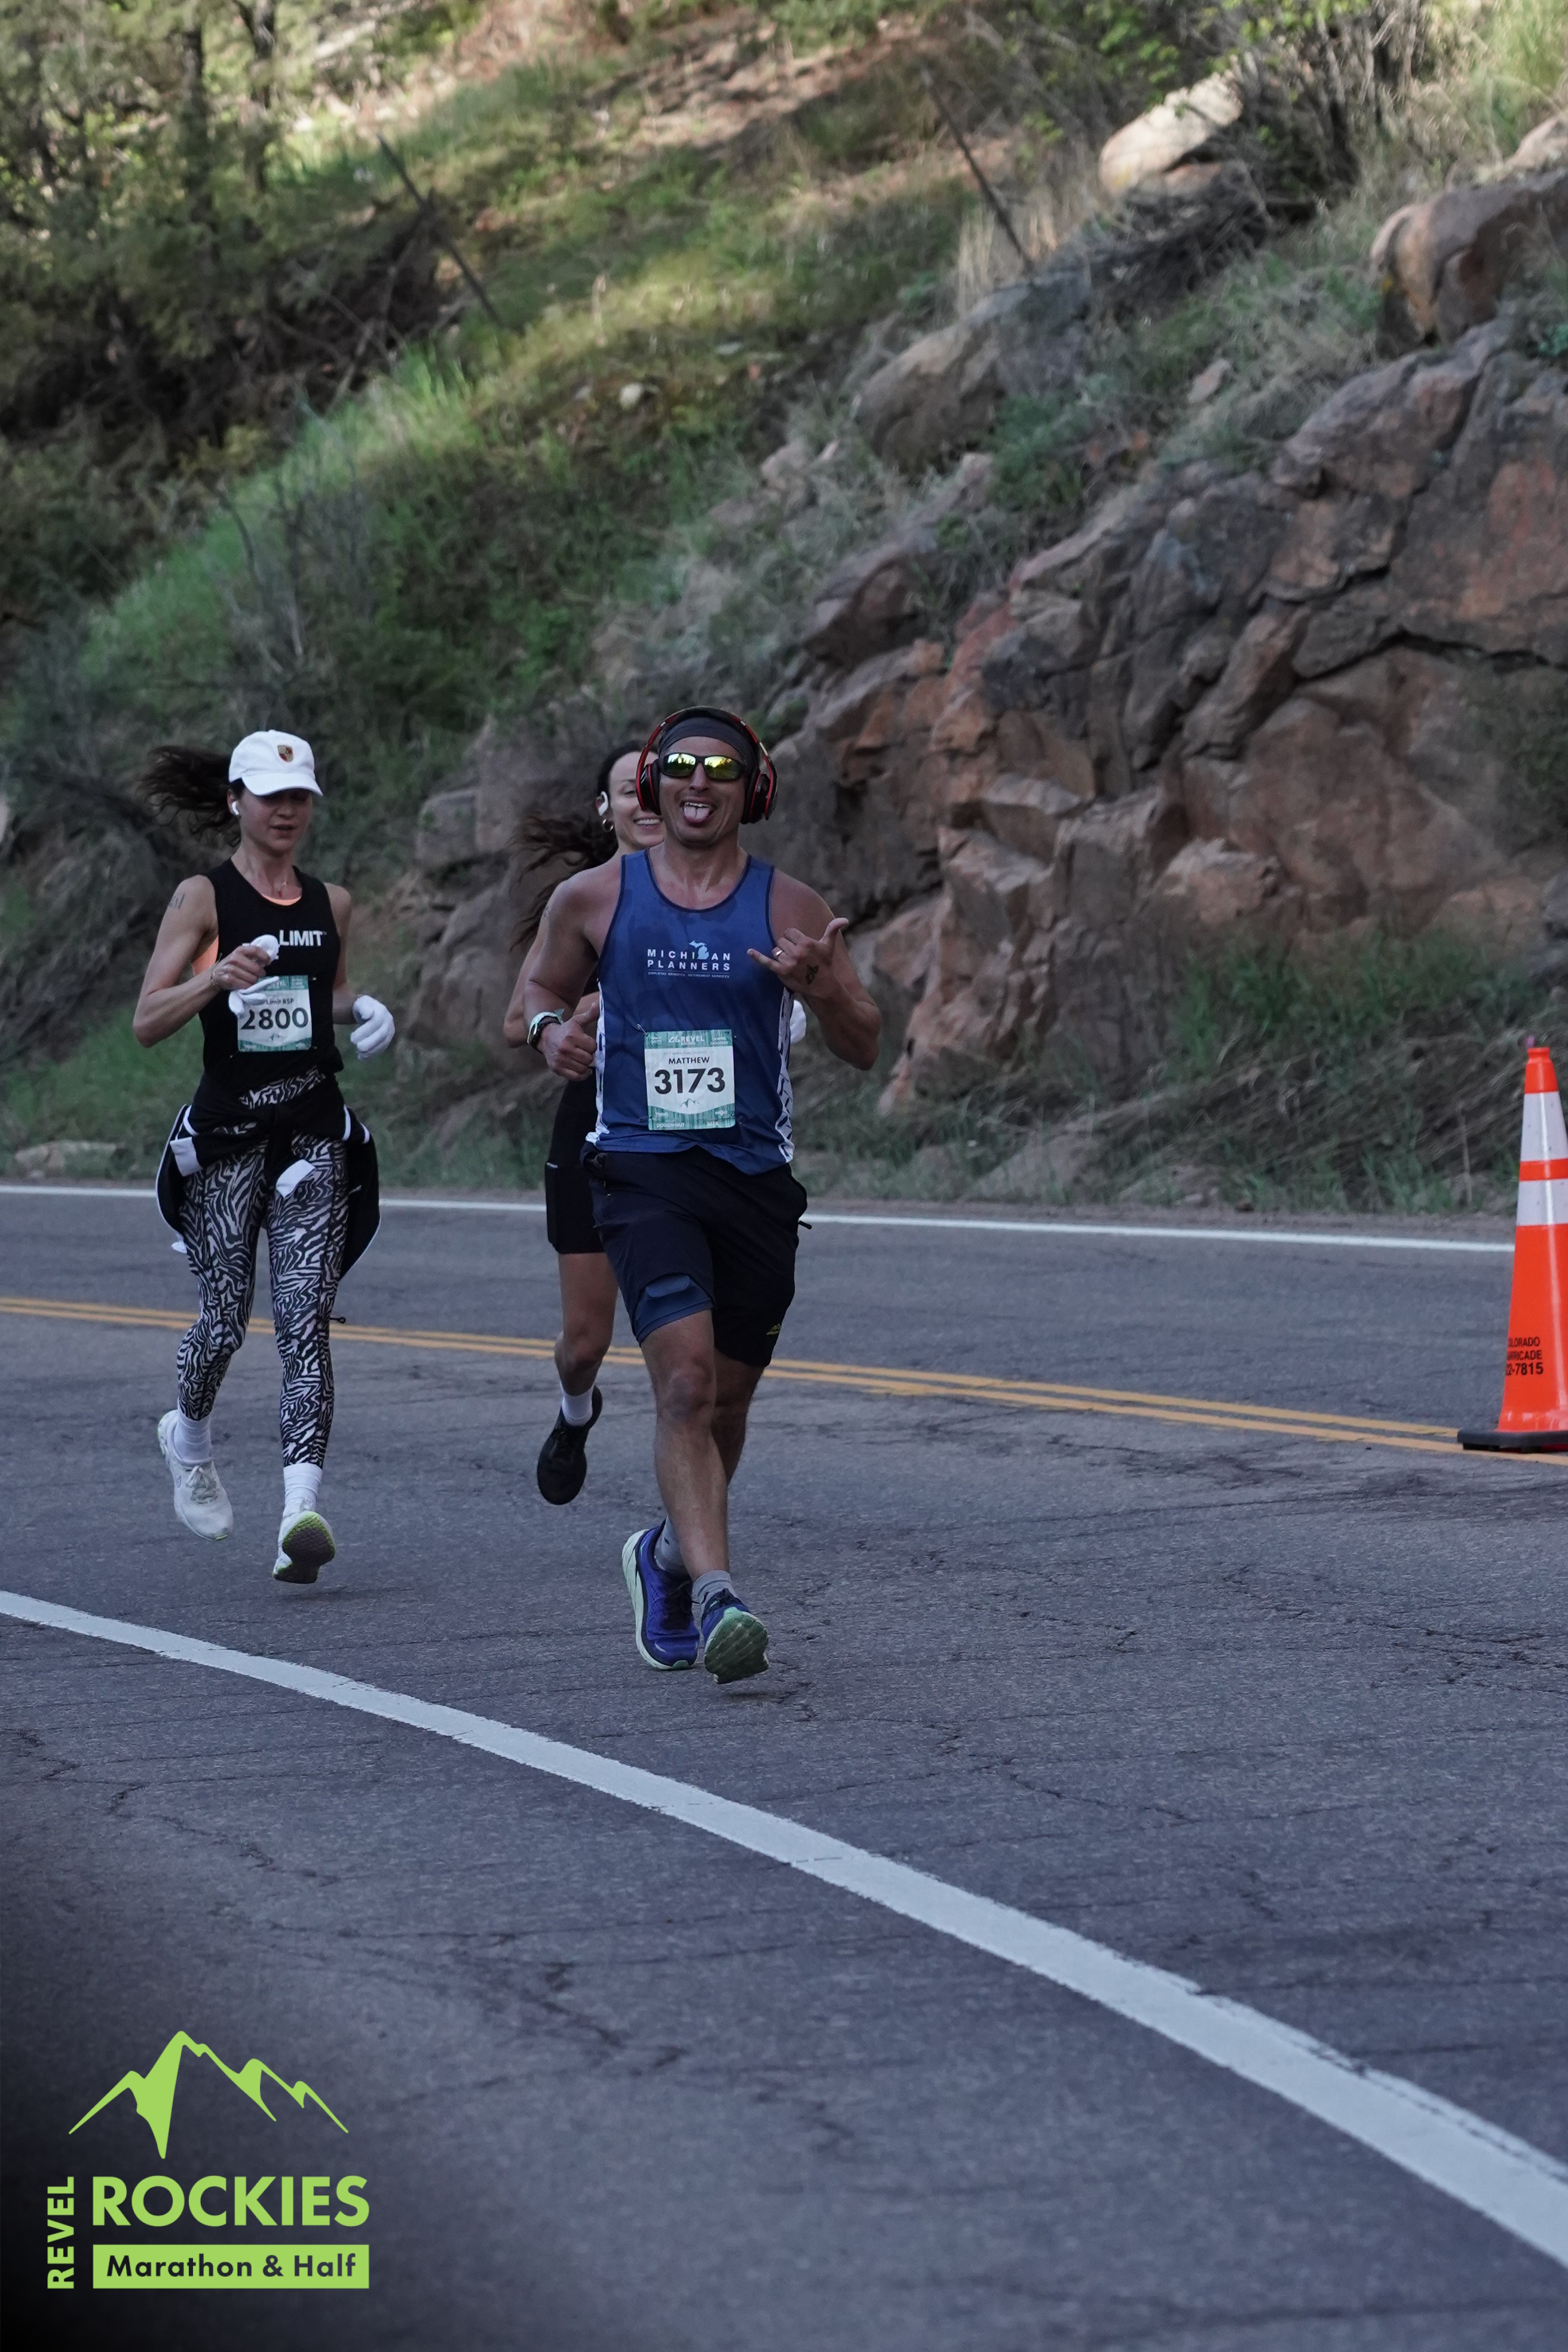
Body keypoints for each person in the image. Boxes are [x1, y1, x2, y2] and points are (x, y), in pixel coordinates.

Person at [521, 706, 881, 1683]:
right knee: (681, 1383)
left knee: (724, 1401)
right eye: (680, 765)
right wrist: (551, 1034)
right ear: (653, 784)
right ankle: (720, 1594)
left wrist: (823, 990)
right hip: (642, 1171)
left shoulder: (788, 904)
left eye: (721, 770)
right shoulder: (594, 897)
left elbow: (863, 1042)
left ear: (750, 791)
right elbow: (534, 996)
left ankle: (668, 1554)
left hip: (754, 1181)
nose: (697, 782)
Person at [132, 730, 396, 1584]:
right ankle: (188, 1436)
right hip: (228, 1140)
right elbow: (147, 1020)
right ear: (236, 802)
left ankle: (298, 1516)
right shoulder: (202, 898)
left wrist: (365, 1010)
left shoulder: (332, 903)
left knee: (304, 1323)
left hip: (313, 1132)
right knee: (222, 1322)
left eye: (299, 798)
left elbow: (329, 993)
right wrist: (214, 979)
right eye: (271, 797)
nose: (287, 811)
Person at [503, 739, 659, 1503]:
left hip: (689, 1132)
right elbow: (518, 1018)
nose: (646, 802)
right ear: (605, 808)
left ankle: (688, 1515)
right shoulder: (583, 899)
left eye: (658, 786)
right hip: (595, 1129)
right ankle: (575, 1410)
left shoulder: (722, 897)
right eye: (630, 790)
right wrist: (558, 1028)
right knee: (587, 1342)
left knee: (687, 1347)